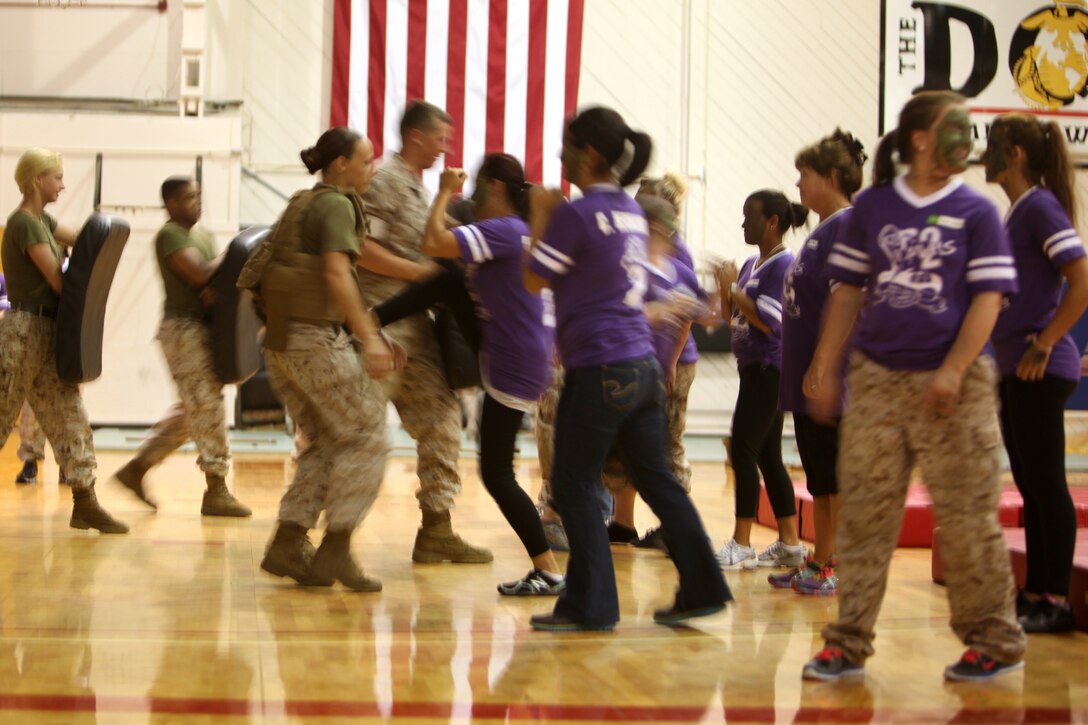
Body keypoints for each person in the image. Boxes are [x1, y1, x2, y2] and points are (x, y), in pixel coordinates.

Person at [801, 91, 1026, 682]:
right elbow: (847, 292)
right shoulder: (873, 207)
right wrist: (825, 367)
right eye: (955, 126)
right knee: (866, 516)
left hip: (957, 383)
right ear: (920, 137)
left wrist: (954, 368)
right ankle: (846, 642)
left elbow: (989, 298)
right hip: (877, 379)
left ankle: (993, 641)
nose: (968, 137)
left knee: (969, 514)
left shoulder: (977, 212)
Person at [523, 106, 730, 630]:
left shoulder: (575, 213)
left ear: (590, 153)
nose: (558, 153)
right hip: (640, 364)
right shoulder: (633, 213)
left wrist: (544, 213)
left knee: (571, 484)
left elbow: (532, 280)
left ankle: (590, 606)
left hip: (599, 365)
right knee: (657, 478)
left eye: (567, 144)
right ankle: (704, 586)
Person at [257, 127, 402, 592]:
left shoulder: (301, 202)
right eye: (366, 161)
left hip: (282, 343)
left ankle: (288, 539)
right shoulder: (337, 204)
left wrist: (366, 332)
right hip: (312, 340)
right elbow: (337, 274)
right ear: (340, 164)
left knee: (325, 441)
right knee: (368, 435)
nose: (372, 168)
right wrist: (371, 340)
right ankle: (336, 549)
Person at [420, 154, 564, 595]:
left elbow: (432, 241)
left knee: (497, 474)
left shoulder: (503, 231)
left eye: (478, 185)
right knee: (498, 470)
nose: (471, 194)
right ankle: (548, 565)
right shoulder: (515, 233)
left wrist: (443, 188)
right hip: (519, 355)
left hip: (514, 362)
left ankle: (549, 569)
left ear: (497, 186)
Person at [357, 100, 491, 564]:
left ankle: (437, 528)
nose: (445, 149)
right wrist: (419, 276)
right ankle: (313, 534)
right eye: (441, 139)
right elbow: (361, 248)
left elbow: (442, 239)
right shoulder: (384, 180)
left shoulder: (415, 188)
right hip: (376, 326)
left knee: (441, 419)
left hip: (416, 328)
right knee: (355, 435)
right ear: (416, 137)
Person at [984, 112, 1088, 634]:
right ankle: (1035, 592)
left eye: (992, 144)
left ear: (1016, 155)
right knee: (1029, 483)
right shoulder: (1018, 213)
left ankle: (1057, 598)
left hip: (1038, 371)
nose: (984, 153)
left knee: (1046, 485)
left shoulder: (1040, 207)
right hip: (1012, 369)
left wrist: (1045, 343)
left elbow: (1081, 277)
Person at [0, 147, 127, 533]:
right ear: (37, 179)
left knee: (70, 417)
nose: (63, 183)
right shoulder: (22, 223)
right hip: (22, 331)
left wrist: (105, 237)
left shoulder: (43, 220)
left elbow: (85, 240)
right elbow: (59, 281)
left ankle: (85, 503)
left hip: (46, 332)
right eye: (56, 176)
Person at [113, 176, 251, 517]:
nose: (197, 202)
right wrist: (232, 254)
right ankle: (216, 489)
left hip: (201, 327)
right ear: (171, 203)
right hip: (182, 330)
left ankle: (137, 468)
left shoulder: (201, 235)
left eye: (198, 196)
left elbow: (213, 283)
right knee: (206, 406)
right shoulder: (170, 234)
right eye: (189, 197)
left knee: (192, 412)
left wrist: (217, 274)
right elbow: (202, 275)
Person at [768, 129, 867, 595]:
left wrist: (823, 366)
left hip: (832, 381)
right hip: (811, 379)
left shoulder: (847, 226)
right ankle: (821, 556)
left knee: (832, 479)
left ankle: (833, 563)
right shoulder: (823, 231)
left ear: (830, 177)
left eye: (804, 176)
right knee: (820, 476)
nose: (799, 187)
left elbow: (850, 300)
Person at [714, 190, 807, 571]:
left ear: (772, 222)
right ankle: (790, 543)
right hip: (751, 368)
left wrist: (733, 288)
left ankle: (742, 542)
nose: (742, 224)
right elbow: (732, 316)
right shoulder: (753, 263)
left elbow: (769, 320)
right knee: (768, 455)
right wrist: (727, 290)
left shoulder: (783, 265)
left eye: (749, 216)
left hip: (771, 369)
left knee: (743, 450)